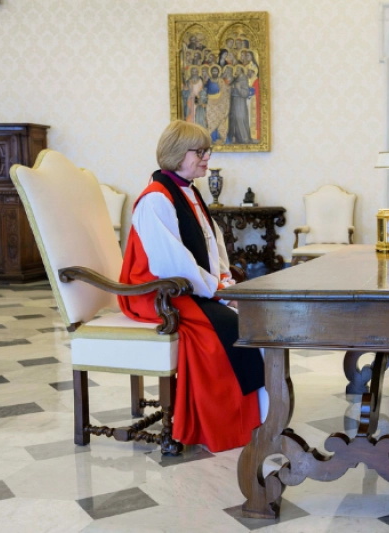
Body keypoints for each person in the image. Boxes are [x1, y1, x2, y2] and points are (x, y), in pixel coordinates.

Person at [119, 120, 267, 452]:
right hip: (157, 292)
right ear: (176, 154)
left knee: (248, 319)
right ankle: (229, 426)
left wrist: (224, 281)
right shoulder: (156, 199)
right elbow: (171, 264)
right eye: (200, 151)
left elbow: (211, 244)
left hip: (184, 287)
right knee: (228, 330)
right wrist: (217, 291)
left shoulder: (187, 189)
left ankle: (259, 418)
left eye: (207, 151)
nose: (207, 158)